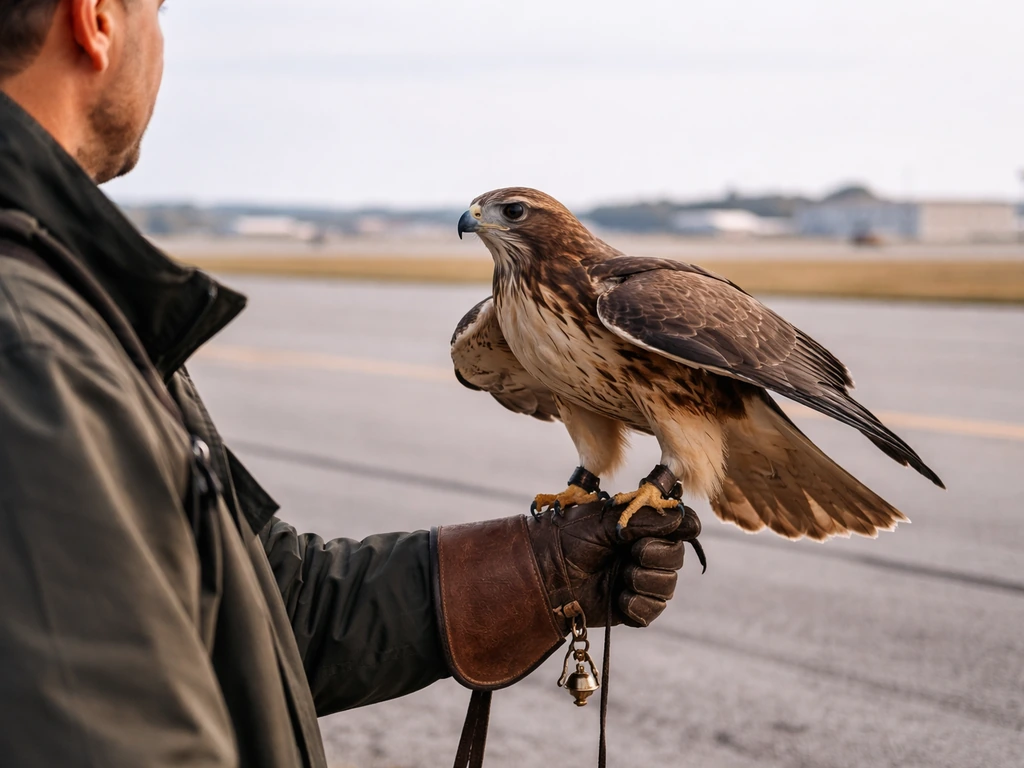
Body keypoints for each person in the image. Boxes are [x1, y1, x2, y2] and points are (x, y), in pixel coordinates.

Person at [0, 2, 701, 766]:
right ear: (96, 19)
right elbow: (104, 729)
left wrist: (539, 572)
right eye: (160, 10)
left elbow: (264, 609)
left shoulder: (58, 290)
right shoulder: (29, 339)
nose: (162, 42)